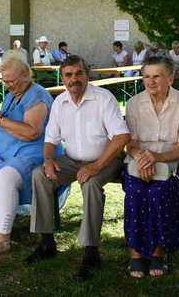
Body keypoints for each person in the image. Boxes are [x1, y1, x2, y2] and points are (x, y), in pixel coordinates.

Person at [28, 55, 130, 280]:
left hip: (106, 159)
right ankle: (46, 243)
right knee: (39, 175)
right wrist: (48, 160)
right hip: (72, 160)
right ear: (63, 78)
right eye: (69, 75)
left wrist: (96, 166)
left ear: (87, 75)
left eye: (79, 73)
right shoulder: (59, 102)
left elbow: (122, 136)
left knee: (91, 183)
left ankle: (91, 252)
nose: (74, 79)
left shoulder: (104, 98)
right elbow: (50, 139)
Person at [0, 54, 58, 257]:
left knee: (5, 178)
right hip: (5, 152)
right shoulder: (11, 96)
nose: (7, 85)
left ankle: (2, 238)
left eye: (11, 81)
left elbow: (32, 132)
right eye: (4, 81)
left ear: (26, 75)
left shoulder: (37, 96)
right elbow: (0, 132)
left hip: (34, 153)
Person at [123, 57, 179, 278]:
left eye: (157, 76)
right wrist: (141, 158)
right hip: (139, 160)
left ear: (170, 79)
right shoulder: (135, 103)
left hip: (173, 161)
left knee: (158, 192)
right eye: (146, 76)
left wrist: (157, 157)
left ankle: (158, 252)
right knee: (135, 192)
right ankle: (135, 253)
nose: (150, 82)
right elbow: (130, 143)